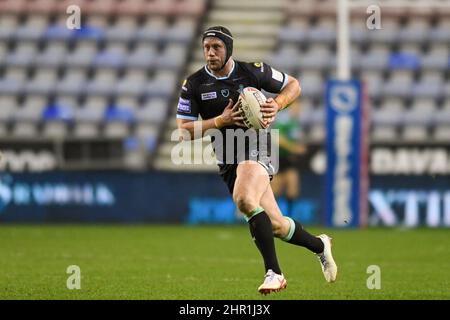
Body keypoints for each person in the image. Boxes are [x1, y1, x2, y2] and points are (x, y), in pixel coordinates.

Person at [176, 26, 337, 294]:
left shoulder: (253, 71)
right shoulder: (194, 84)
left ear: (228, 48)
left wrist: (278, 104)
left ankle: (274, 273)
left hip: (257, 146)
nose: (210, 52)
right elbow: (183, 130)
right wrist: (220, 121)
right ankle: (320, 246)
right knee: (275, 224)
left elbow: (294, 85)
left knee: (244, 199)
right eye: (206, 48)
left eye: (216, 47)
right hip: (227, 156)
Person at [271, 101, 307, 214]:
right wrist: (293, 148)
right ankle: (271, 215)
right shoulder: (284, 121)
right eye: (296, 107)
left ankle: (289, 218)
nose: (298, 110)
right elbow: (277, 138)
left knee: (293, 189)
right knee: (275, 190)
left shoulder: (296, 123)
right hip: (279, 158)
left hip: (290, 160)